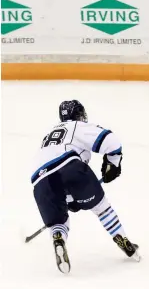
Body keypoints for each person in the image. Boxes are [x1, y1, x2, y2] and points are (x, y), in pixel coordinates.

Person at [31, 100, 139, 274]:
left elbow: (51, 170)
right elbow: (112, 141)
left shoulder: (48, 136)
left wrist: (70, 198)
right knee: (101, 207)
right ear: (78, 115)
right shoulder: (75, 126)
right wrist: (113, 163)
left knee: (59, 221)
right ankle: (121, 237)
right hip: (70, 168)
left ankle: (58, 238)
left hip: (39, 182)